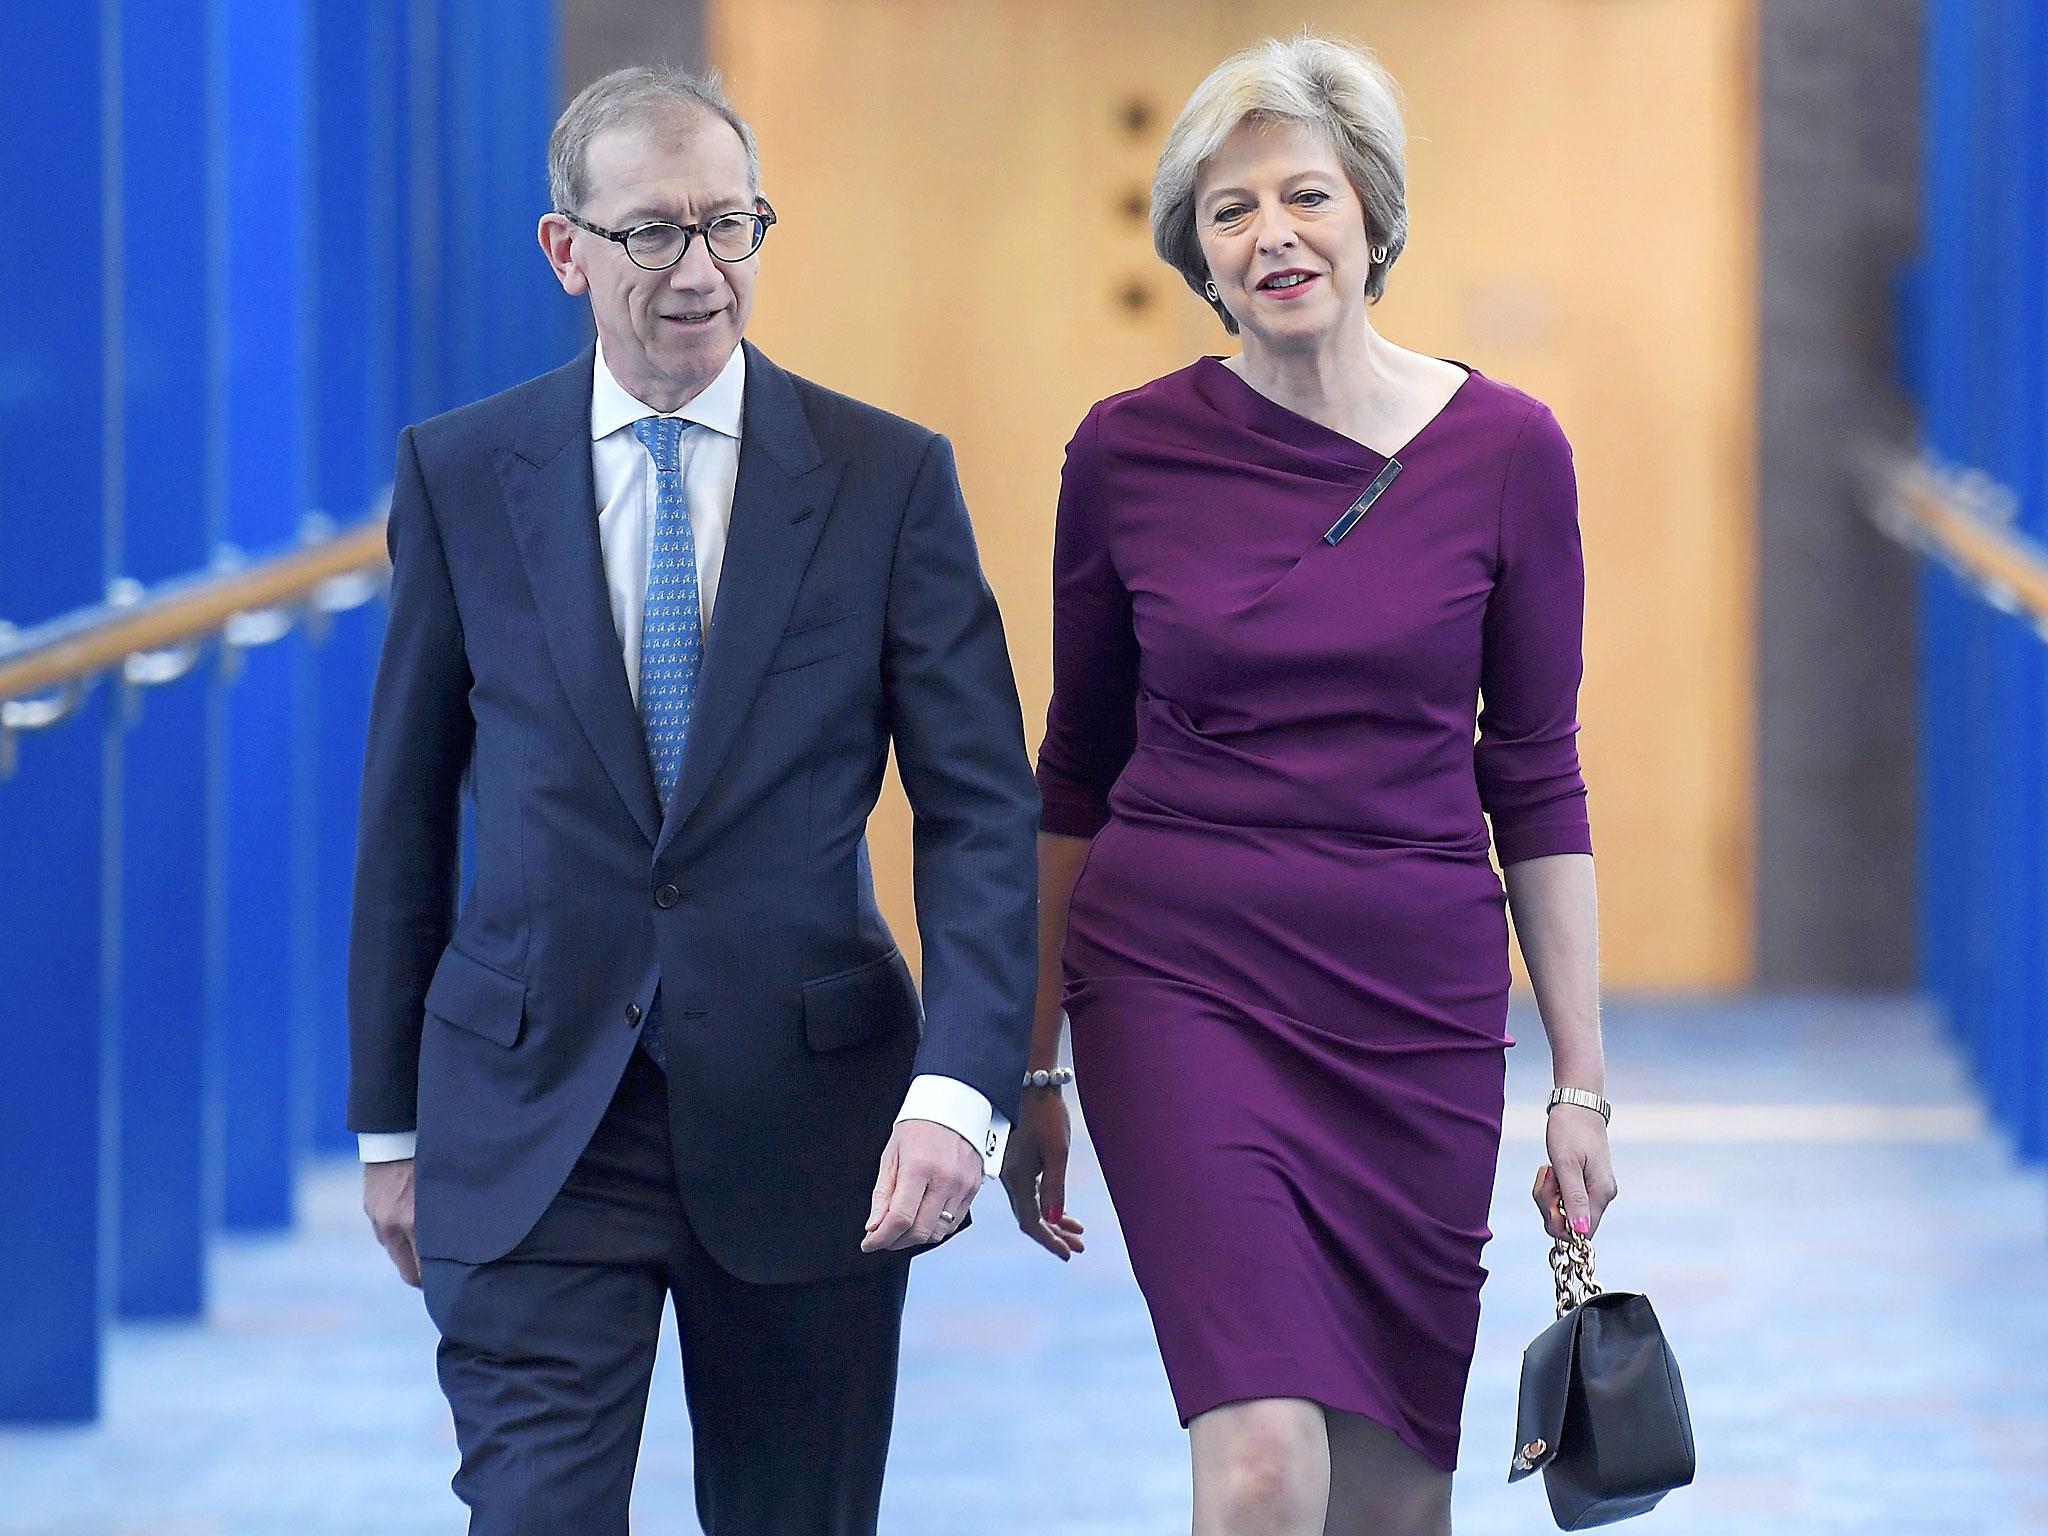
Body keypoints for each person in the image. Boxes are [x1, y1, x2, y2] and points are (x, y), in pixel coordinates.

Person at [347, 65, 1039, 1535]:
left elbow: (981, 812)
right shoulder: (462, 475)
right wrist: (387, 1126)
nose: (701, 270)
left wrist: (963, 1091)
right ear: (566, 249)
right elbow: (405, 816)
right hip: (533, 1117)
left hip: (812, 1124)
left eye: (733, 226)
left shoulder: (885, 478)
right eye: (655, 231)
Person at [1001, 33, 1617, 1536]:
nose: (1272, 233)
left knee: (1395, 1493)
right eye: (1229, 211)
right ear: (1195, 255)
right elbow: (1075, 766)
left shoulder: (1510, 452)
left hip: (1413, 1006)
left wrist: (1580, 1085)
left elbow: (1533, 777)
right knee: (1266, 1457)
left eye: (1306, 196)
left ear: (1372, 219)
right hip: (1178, 981)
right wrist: (1031, 1062)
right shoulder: (1127, 454)